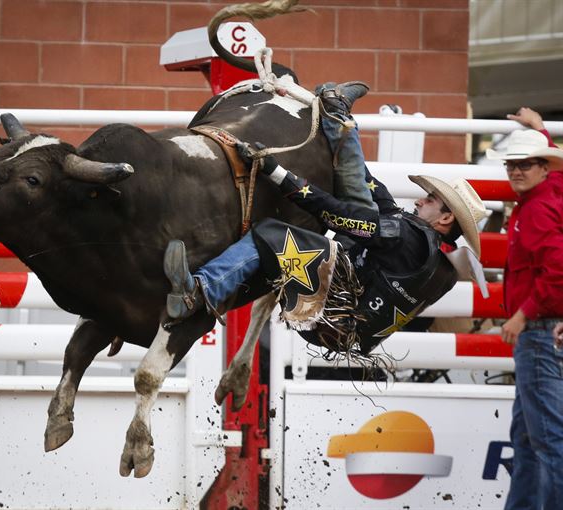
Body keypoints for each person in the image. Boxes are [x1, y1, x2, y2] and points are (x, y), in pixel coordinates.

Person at [164, 83, 487, 358]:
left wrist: (276, 172)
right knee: (362, 199)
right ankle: (338, 116)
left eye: (430, 200)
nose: (419, 199)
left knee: (272, 234)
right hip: (345, 326)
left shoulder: (405, 237)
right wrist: (341, 137)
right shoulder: (435, 262)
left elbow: (335, 213)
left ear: (446, 217)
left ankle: (199, 290)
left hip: (328, 317)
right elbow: (377, 193)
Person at [489, 107, 563, 510]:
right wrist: (541, 132)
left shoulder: (535, 211)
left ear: (541, 169)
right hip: (546, 332)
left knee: (546, 439)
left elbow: (557, 270)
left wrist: (522, 314)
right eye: (512, 165)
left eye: (524, 165)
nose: (516, 171)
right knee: (530, 437)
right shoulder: (552, 194)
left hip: (537, 333)